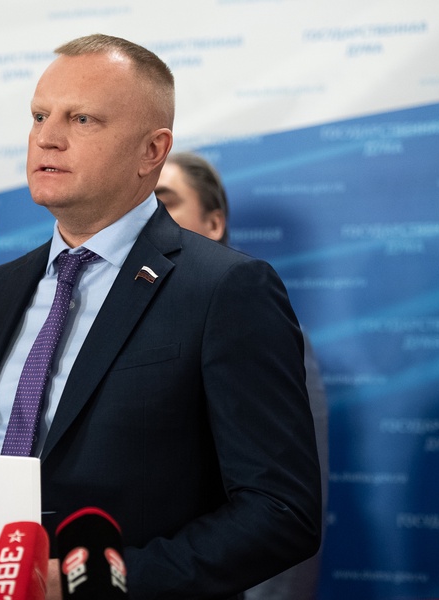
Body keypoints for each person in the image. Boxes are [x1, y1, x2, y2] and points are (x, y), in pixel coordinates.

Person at [0, 34, 321, 600]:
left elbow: (280, 510)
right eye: (40, 116)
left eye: (82, 119)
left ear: (152, 150)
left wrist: (100, 583)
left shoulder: (225, 289)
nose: (47, 137)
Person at [156, 151, 329, 600]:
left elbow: (283, 506)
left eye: (166, 201)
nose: (150, 217)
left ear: (214, 223)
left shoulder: (259, 324)